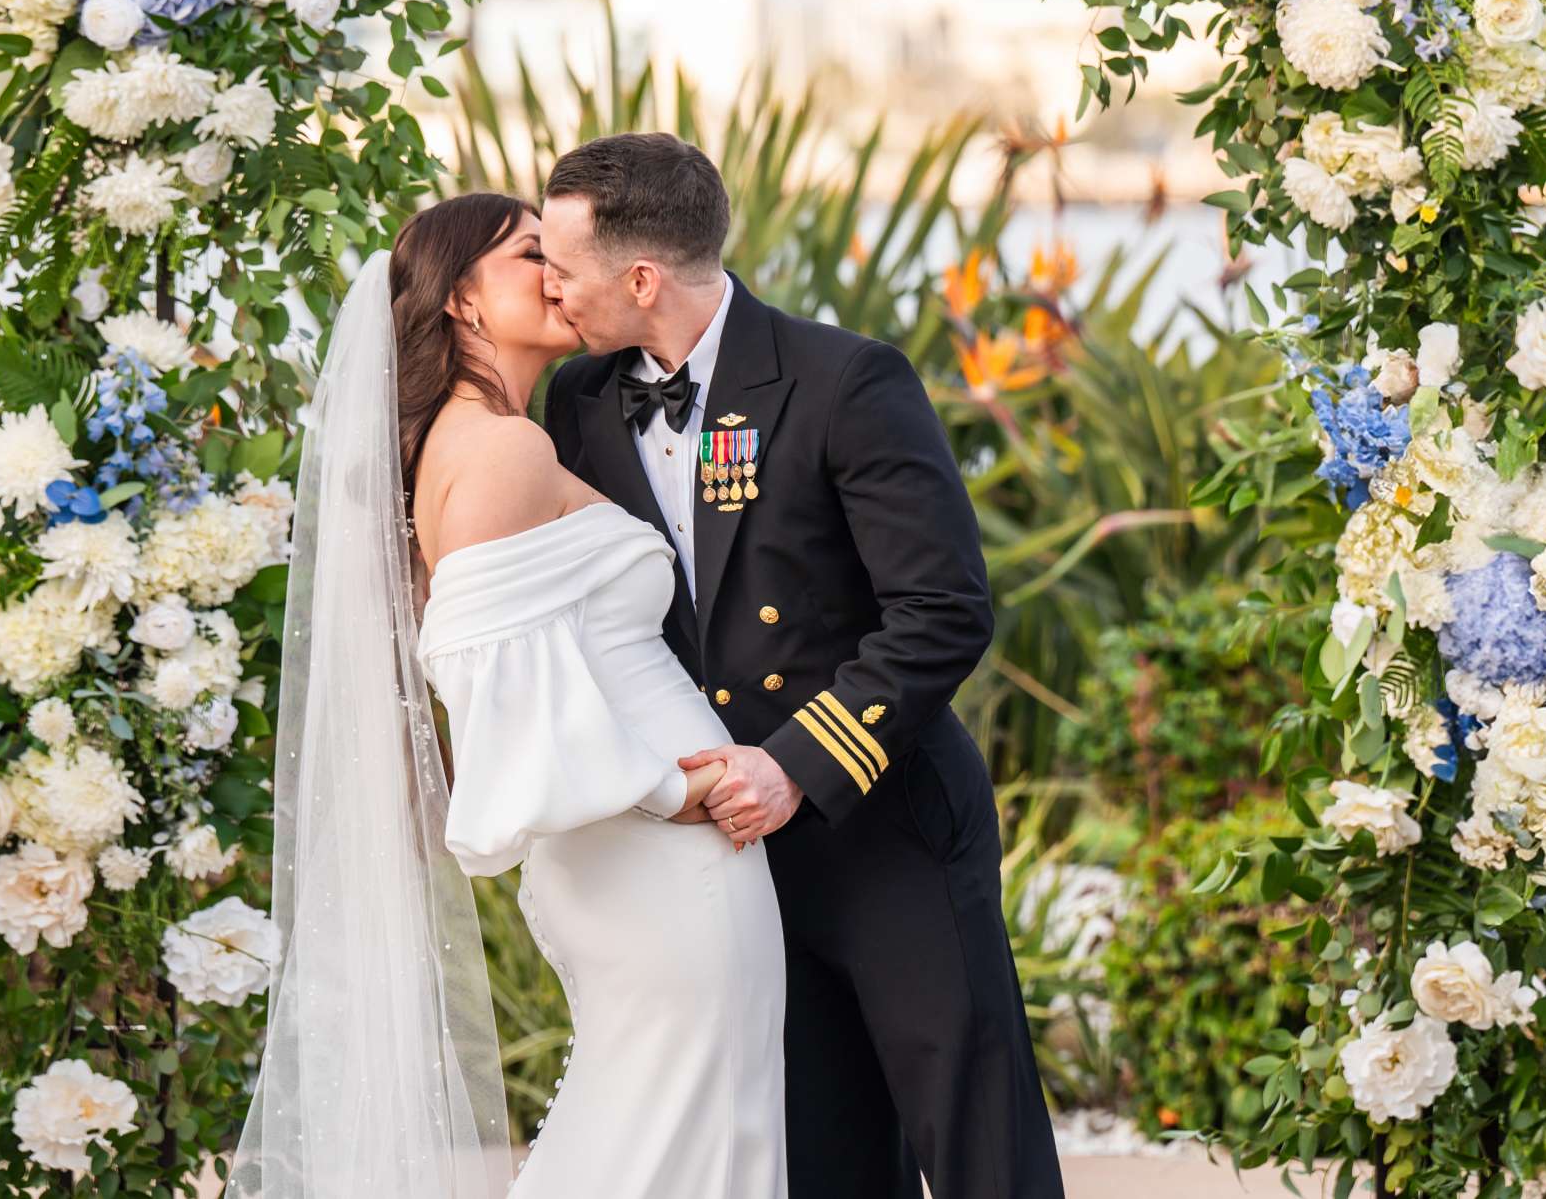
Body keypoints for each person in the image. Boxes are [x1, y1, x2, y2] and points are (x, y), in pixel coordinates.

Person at [539, 133, 1065, 1199]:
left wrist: (793, 765)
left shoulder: (843, 381)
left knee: (976, 1147)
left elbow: (942, 611)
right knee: (815, 1155)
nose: (552, 291)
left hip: (882, 824)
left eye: (564, 266)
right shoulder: (580, 404)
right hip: (724, 858)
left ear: (640, 278)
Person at [233, 192, 787, 1199]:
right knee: (667, 1132)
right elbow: (489, 683)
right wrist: (674, 789)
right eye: (532, 253)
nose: (561, 271)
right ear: (461, 304)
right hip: (650, 850)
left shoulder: (503, 437)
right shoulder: (498, 449)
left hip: (641, 847)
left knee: (680, 1119)